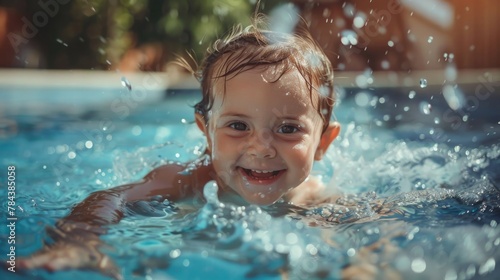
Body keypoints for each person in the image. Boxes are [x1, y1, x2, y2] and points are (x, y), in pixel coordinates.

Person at [17, 15, 341, 279]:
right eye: (238, 126)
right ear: (207, 131)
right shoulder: (188, 180)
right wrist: (78, 241)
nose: (261, 148)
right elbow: (110, 198)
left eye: (288, 129)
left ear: (322, 143)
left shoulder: (317, 200)